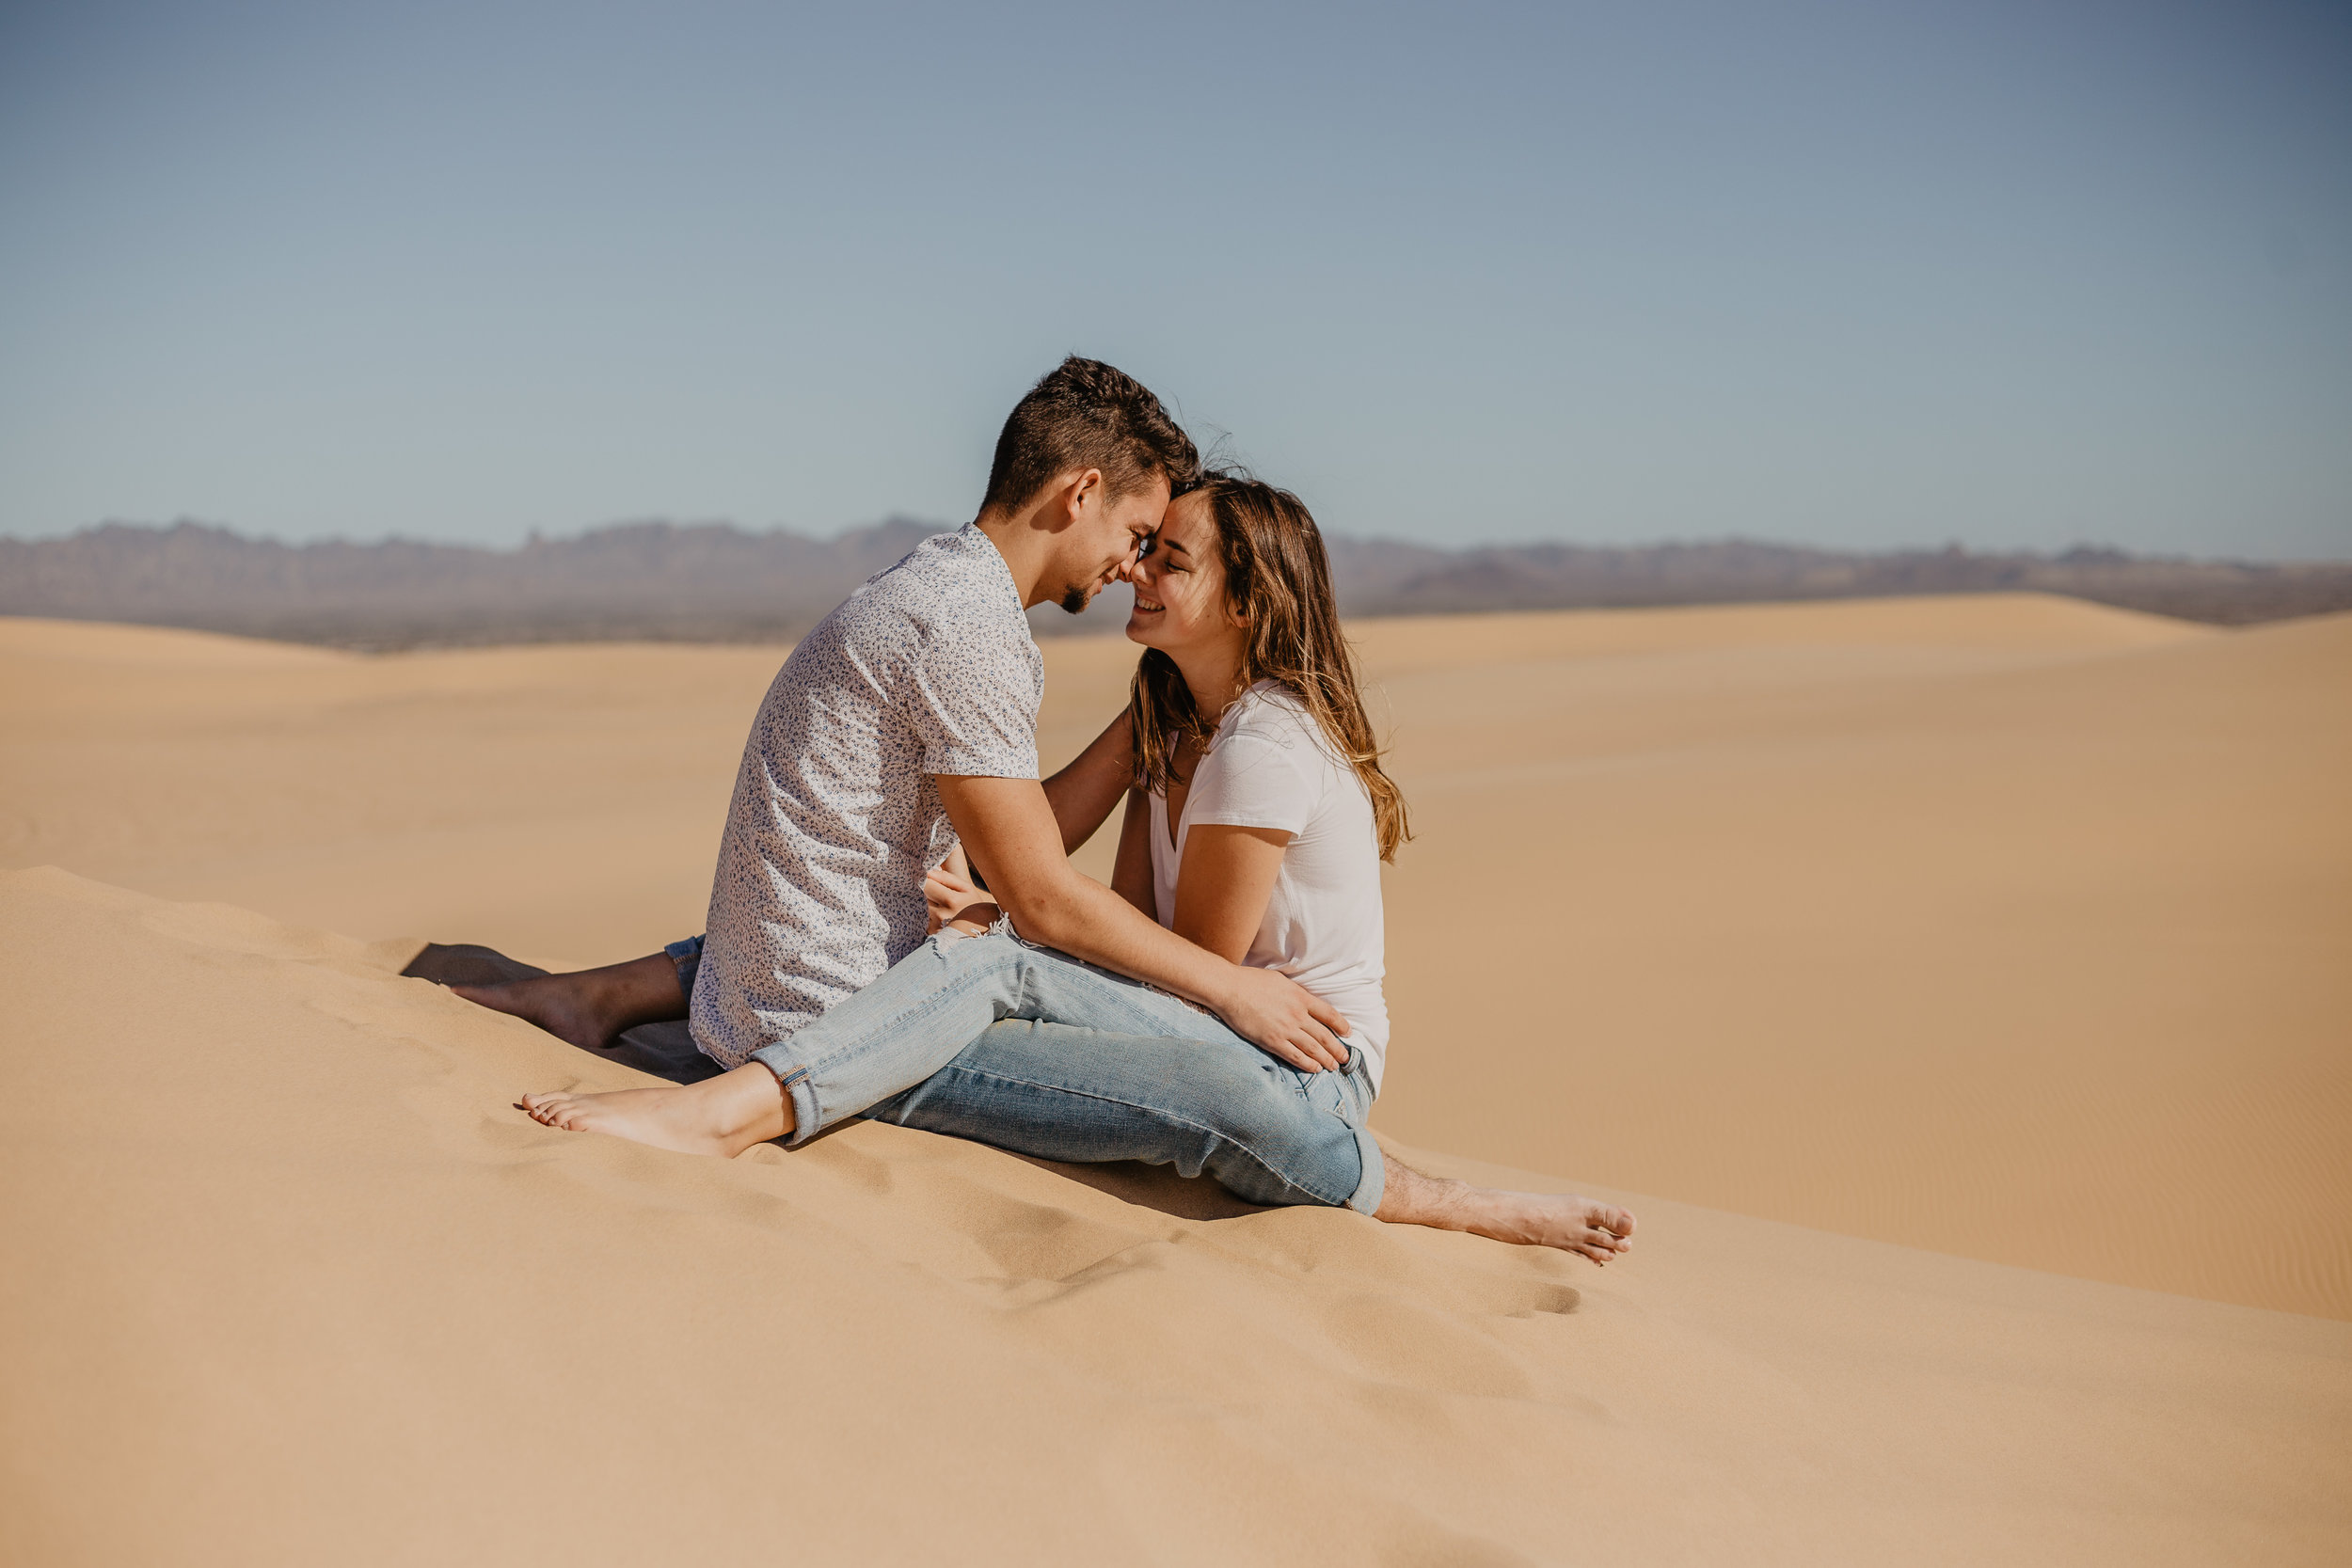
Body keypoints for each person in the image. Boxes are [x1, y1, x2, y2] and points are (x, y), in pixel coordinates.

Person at [462, 364, 1634, 1259]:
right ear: (1080, 491)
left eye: (1167, 558)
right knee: (986, 949)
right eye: (1139, 539)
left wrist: (1020, 913)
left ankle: (685, 1065)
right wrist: (1023, 904)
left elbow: (1105, 927)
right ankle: (688, 1064)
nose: (1135, 568)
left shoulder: (1214, 723)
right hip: (893, 1007)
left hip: (1285, 1054)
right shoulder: (1023, 651)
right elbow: (1069, 897)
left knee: (995, 961)